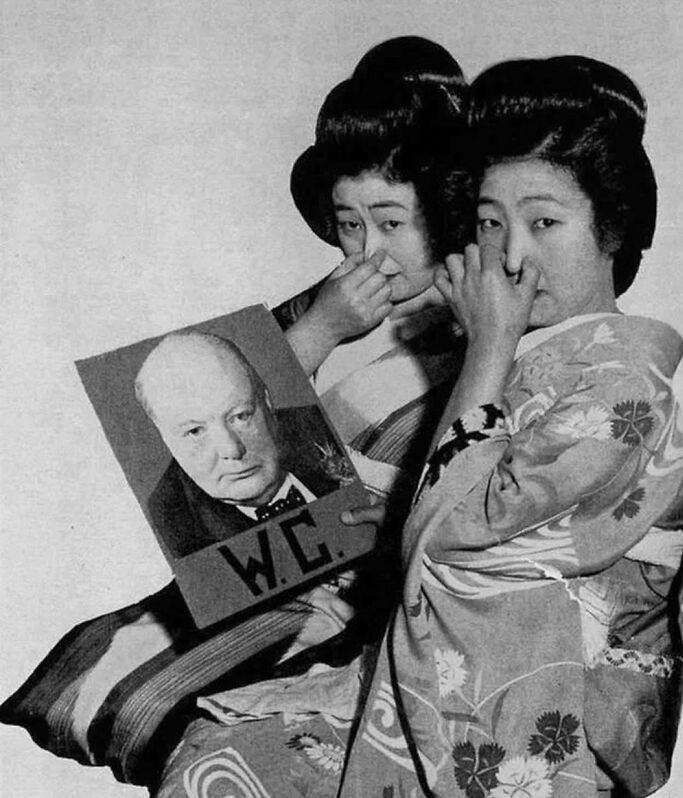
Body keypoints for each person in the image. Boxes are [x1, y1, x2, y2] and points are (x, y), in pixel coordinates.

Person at [336, 57, 683, 798]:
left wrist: (491, 346)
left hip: (561, 721)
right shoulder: (530, 368)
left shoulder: (628, 389)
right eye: (490, 223)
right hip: (492, 697)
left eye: (543, 222)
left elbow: (453, 535)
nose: (511, 253)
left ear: (615, 230)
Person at [154, 37, 471, 798]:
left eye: (392, 223)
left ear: (449, 211)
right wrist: (320, 331)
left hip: (404, 611)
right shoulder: (322, 306)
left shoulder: (480, 325)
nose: (369, 252)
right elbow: (184, 447)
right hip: (264, 581)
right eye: (349, 224)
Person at [135, 331, 345, 557]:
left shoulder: (321, 427)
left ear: (267, 403)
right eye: (195, 431)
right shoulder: (171, 520)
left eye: (241, 416)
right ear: (167, 440)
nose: (232, 450)